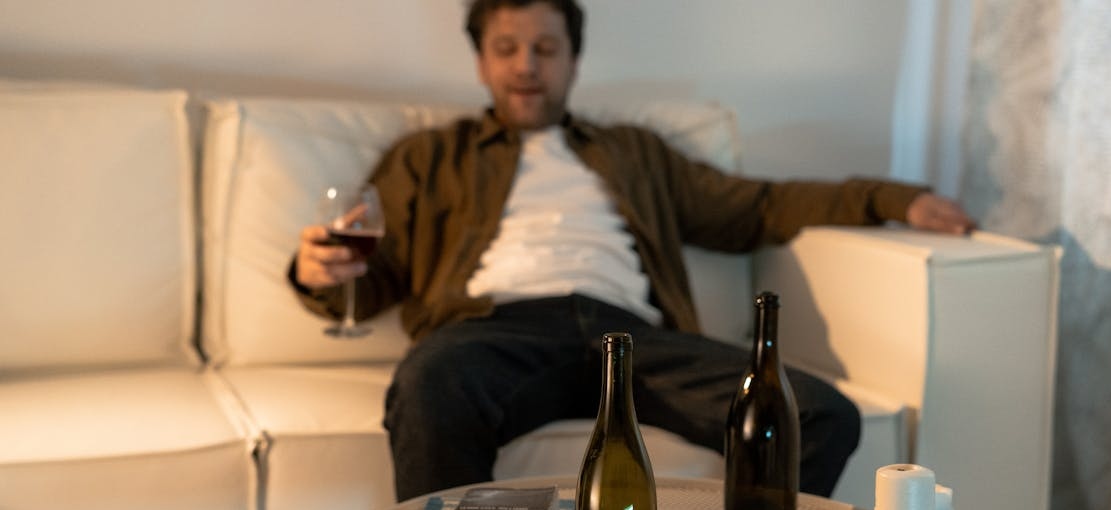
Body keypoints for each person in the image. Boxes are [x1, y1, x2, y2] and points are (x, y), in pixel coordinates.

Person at [290, 0, 975, 502]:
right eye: (507, 48)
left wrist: (891, 198)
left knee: (820, 412)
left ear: (573, 60)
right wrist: (318, 272)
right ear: (481, 62)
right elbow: (369, 276)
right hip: (494, 333)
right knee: (428, 381)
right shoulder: (429, 157)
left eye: (546, 48)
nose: (526, 65)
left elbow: (758, 205)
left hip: (634, 338)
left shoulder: (633, 152)